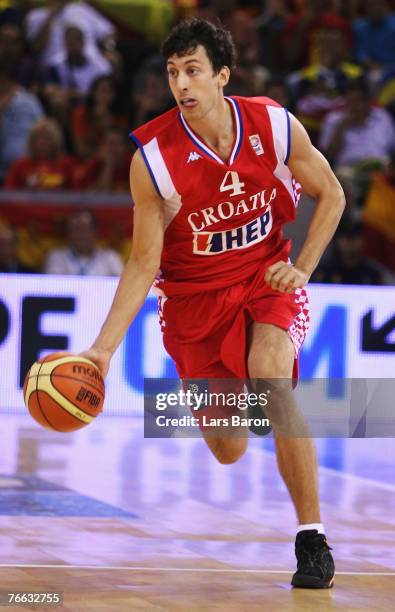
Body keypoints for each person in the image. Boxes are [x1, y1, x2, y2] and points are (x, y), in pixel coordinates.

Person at [81, 18, 345, 588]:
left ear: (222, 75)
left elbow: (333, 193)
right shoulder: (152, 159)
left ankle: (312, 541)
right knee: (227, 448)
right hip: (193, 304)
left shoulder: (272, 124)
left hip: (263, 280)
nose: (182, 83)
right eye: (174, 72)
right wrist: (103, 350)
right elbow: (142, 263)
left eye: (193, 70)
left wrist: (301, 268)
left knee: (270, 375)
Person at [44, 209, 123, 276]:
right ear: (68, 233)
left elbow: (122, 287)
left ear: (95, 231)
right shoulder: (57, 257)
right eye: (75, 229)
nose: (80, 234)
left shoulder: (111, 258)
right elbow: (55, 288)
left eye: (84, 229)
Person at [4, 118, 76, 190]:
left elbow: (77, 194)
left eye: (47, 138)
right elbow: (9, 194)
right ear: (31, 141)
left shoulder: (67, 165)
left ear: (56, 141)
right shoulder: (19, 166)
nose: (42, 143)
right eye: (37, 138)